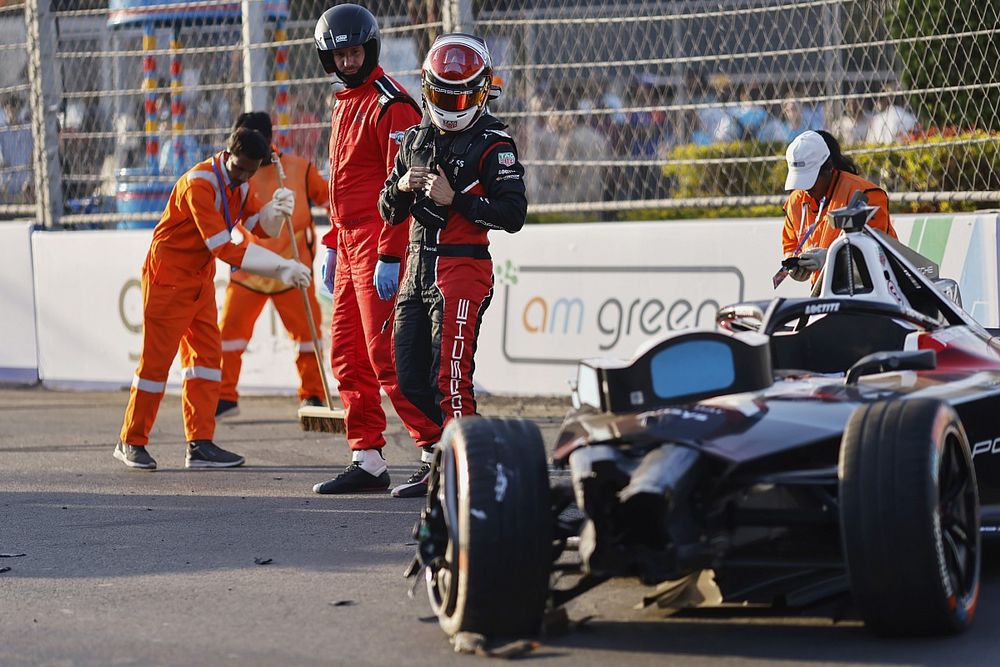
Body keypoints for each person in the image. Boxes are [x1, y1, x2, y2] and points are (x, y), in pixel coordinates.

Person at [378, 33, 527, 497]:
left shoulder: (495, 143)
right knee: (407, 378)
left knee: (451, 380)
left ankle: (471, 476)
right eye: (442, 95)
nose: (450, 105)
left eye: (460, 96)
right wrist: (403, 185)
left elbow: (513, 214)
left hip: (462, 271)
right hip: (416, 270)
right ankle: (447, 458)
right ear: (427, 89)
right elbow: (387, 210)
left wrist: (455, 199)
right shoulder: (414, 139)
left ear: (481, 93)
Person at [114, 127, 311, 470]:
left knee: (205, 360)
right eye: (240, 168)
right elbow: (222, 247)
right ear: (227, 154)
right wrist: (281, 268)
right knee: (156, 365)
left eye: (251, 171)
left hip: (198, 280)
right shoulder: (200, 183)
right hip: (168, 279)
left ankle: (200, 443)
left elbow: (260, 228)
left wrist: (276, 212)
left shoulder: (240, 183)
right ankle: (130, 440)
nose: (243, 176)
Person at [310, 3, 442, 495]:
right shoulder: (343, 101)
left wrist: (389, 253)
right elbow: (343, 182)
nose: (348, 62)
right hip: (347, 241)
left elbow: (404, 186)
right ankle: (367, 458)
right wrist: (331, 241)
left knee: (389, 355)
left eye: (355, 53)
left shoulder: (393, 105)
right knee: (347, 354)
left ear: (370, 48)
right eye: (339, 55)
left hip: (380, 239)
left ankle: (436, 450)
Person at [216, 112, 330, 418]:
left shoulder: (299, 169)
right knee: (228, 336)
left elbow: (332, 202)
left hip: (293, 271)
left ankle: (314, 395)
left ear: (269, 141)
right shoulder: (233, 173)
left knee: (308, 338)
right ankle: (224, 398)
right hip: (249, 268)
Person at [781, 130, 897, 283]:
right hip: (826, 290)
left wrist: (832, 257)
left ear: (829, 167)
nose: (805, 188)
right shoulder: (795, 201)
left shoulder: (866, 194)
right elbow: (790, 244)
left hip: (874, 287)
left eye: (810, 179)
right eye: (800, 180)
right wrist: (794, 264)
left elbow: (878, 252)